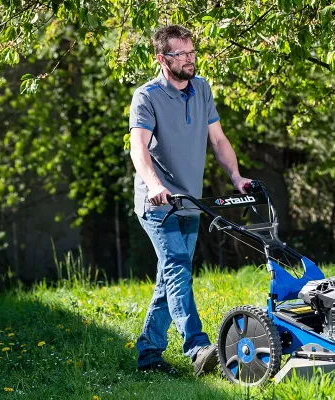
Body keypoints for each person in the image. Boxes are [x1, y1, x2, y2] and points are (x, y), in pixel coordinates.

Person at [128, 24, 253, 376]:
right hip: (158, 206)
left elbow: (219, 140)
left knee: (169, 278)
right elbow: (139, 148)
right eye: (180, 54)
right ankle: (197, 346)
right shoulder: (147, 96)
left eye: (192, 52)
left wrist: (236, 176)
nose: (189, 60)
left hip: (191, 203)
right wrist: (153, 184)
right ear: (161, 58)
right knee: (178, 269)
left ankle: (149, 355)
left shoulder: (202, 89)